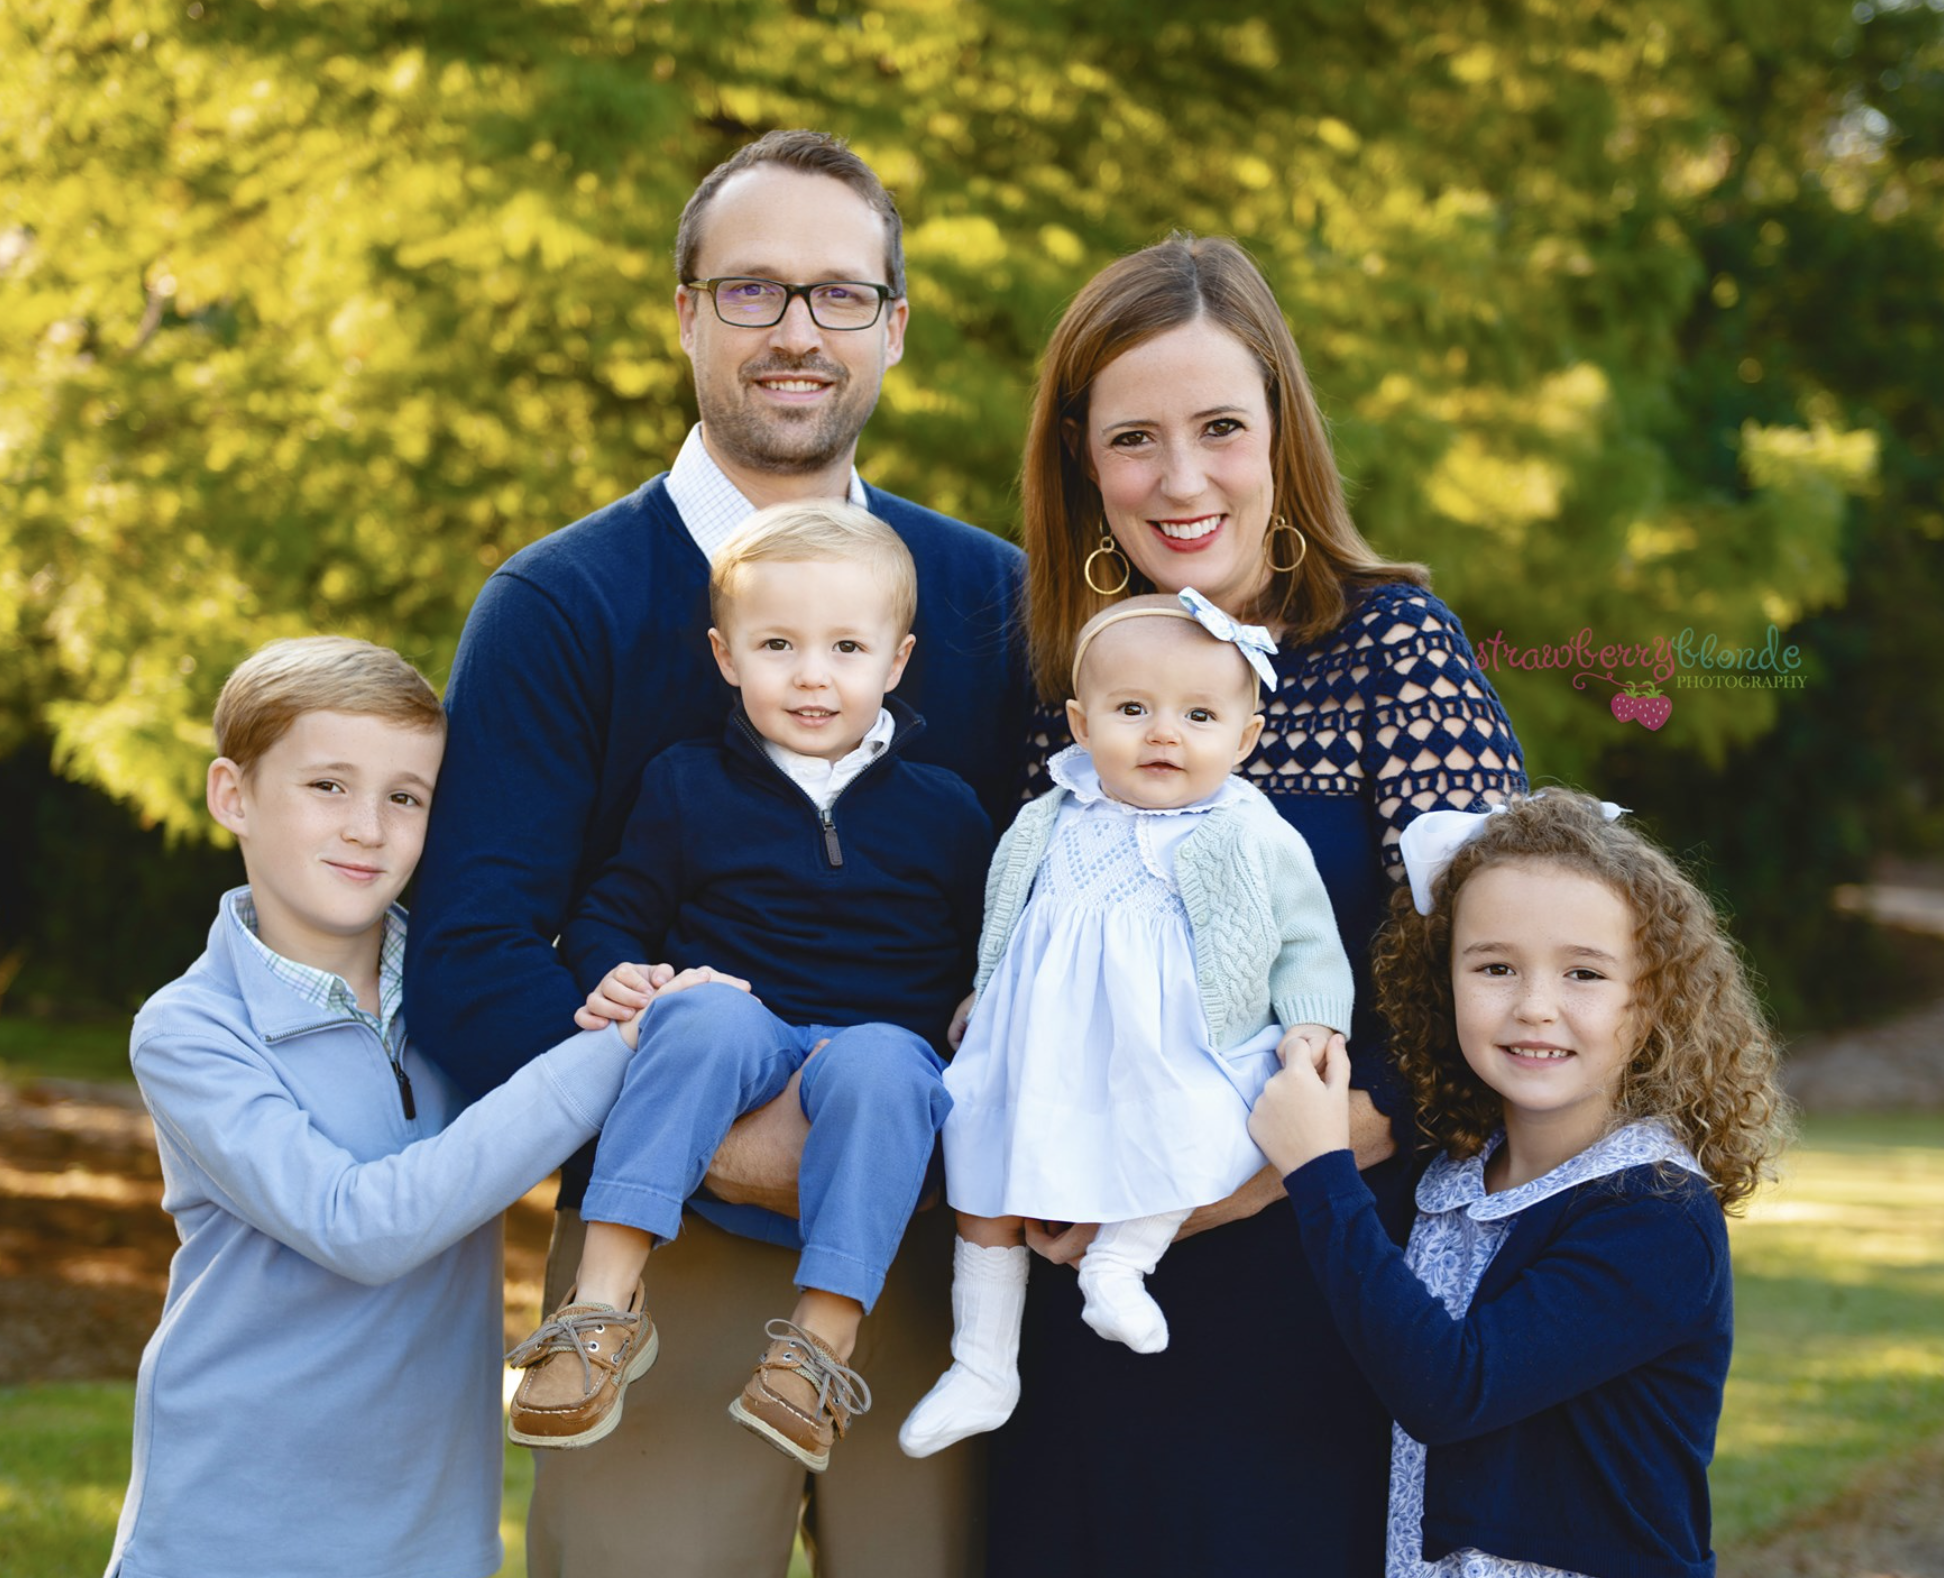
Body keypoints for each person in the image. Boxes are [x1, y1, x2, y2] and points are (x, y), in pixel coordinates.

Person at [404, 129, 1031, 1578]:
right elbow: (471, 957)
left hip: (930, 1233)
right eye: (752, 290)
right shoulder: (560, 603)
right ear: (686, 314)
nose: (799, 330)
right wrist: (731, 1151)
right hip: (656, 1239)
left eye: (839, 294)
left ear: (893, 327)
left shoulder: (988, 600)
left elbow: (1045, 913)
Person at [995, 232, 1528, 1574]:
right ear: (1081, 461)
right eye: (1134, 440)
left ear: (1282, 434)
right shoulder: (1060, 680)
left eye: (1221, 428)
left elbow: (1498, 1001)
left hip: (1312, 1298)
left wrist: (1211, 1189)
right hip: (1074, 1314)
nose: (1182, 480)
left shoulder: (1395, 652)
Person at [107, 637, 642, 1578]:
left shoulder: (464, 995)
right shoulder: (190, 1031)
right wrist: (614, 1050)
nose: (368, 829)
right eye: (328, 786)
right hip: (230, 1530)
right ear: (233, 795)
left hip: (434, 1534)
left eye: (406, 797)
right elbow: (359, 1227)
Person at [505, 500, 989, 1477]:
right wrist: (617, 969)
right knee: (699, 1012)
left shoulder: (947, 811)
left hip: (874, 1048)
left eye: (847, 647)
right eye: (778, 645)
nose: (812, 674)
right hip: (743, 1038)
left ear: (897, 661)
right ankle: (600, 1305)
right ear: (726, 657)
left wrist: (989, 999)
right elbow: (612, 910)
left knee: (889, 1068)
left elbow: (996, 947)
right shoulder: (686, 784)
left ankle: (819, 1343)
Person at [1249, 790, 1792, 1577]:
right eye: (1496, 967)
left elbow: (1450, 1388)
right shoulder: (1446, 1176)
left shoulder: (1656, 1213)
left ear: (1650, 1001)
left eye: (1584, 973)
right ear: (1445, 982)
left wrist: (1318, 1170)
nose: (1536, 1007)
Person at [898, 591, 1354, 1457]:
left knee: (1201, 1125)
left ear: (1245, 738)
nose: (1163, 734)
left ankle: (1120, 1263)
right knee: (983, 1158)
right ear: (1081, 723)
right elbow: (1007, 912)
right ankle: (982, 1361)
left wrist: (1314, 1020)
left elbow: (1306, 936)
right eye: (1133, 710)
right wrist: (983, 991)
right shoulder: (1050, 815)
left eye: (1199, 716)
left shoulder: (1248, 830)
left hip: (1173, 1039)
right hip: (1040, 1040)